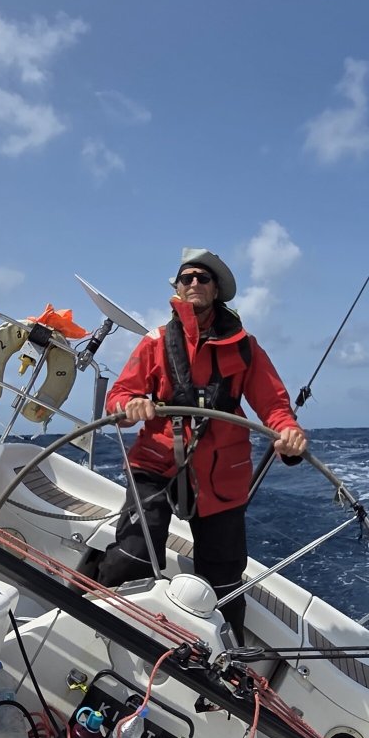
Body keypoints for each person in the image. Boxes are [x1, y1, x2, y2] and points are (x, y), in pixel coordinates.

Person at [97, 247, 307, 642]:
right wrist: (131, 405)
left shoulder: (245, 347)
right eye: (186, 277)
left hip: (220, 477)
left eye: (203, 278)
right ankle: (100, 622)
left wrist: (288, 434)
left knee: (224, 582)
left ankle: (232, 662)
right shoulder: (155, 342)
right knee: (133, 555)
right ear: (177, 288)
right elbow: (119, 399)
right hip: (156, 463)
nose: (194, 283)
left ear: (217, 291)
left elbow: (274, 406)